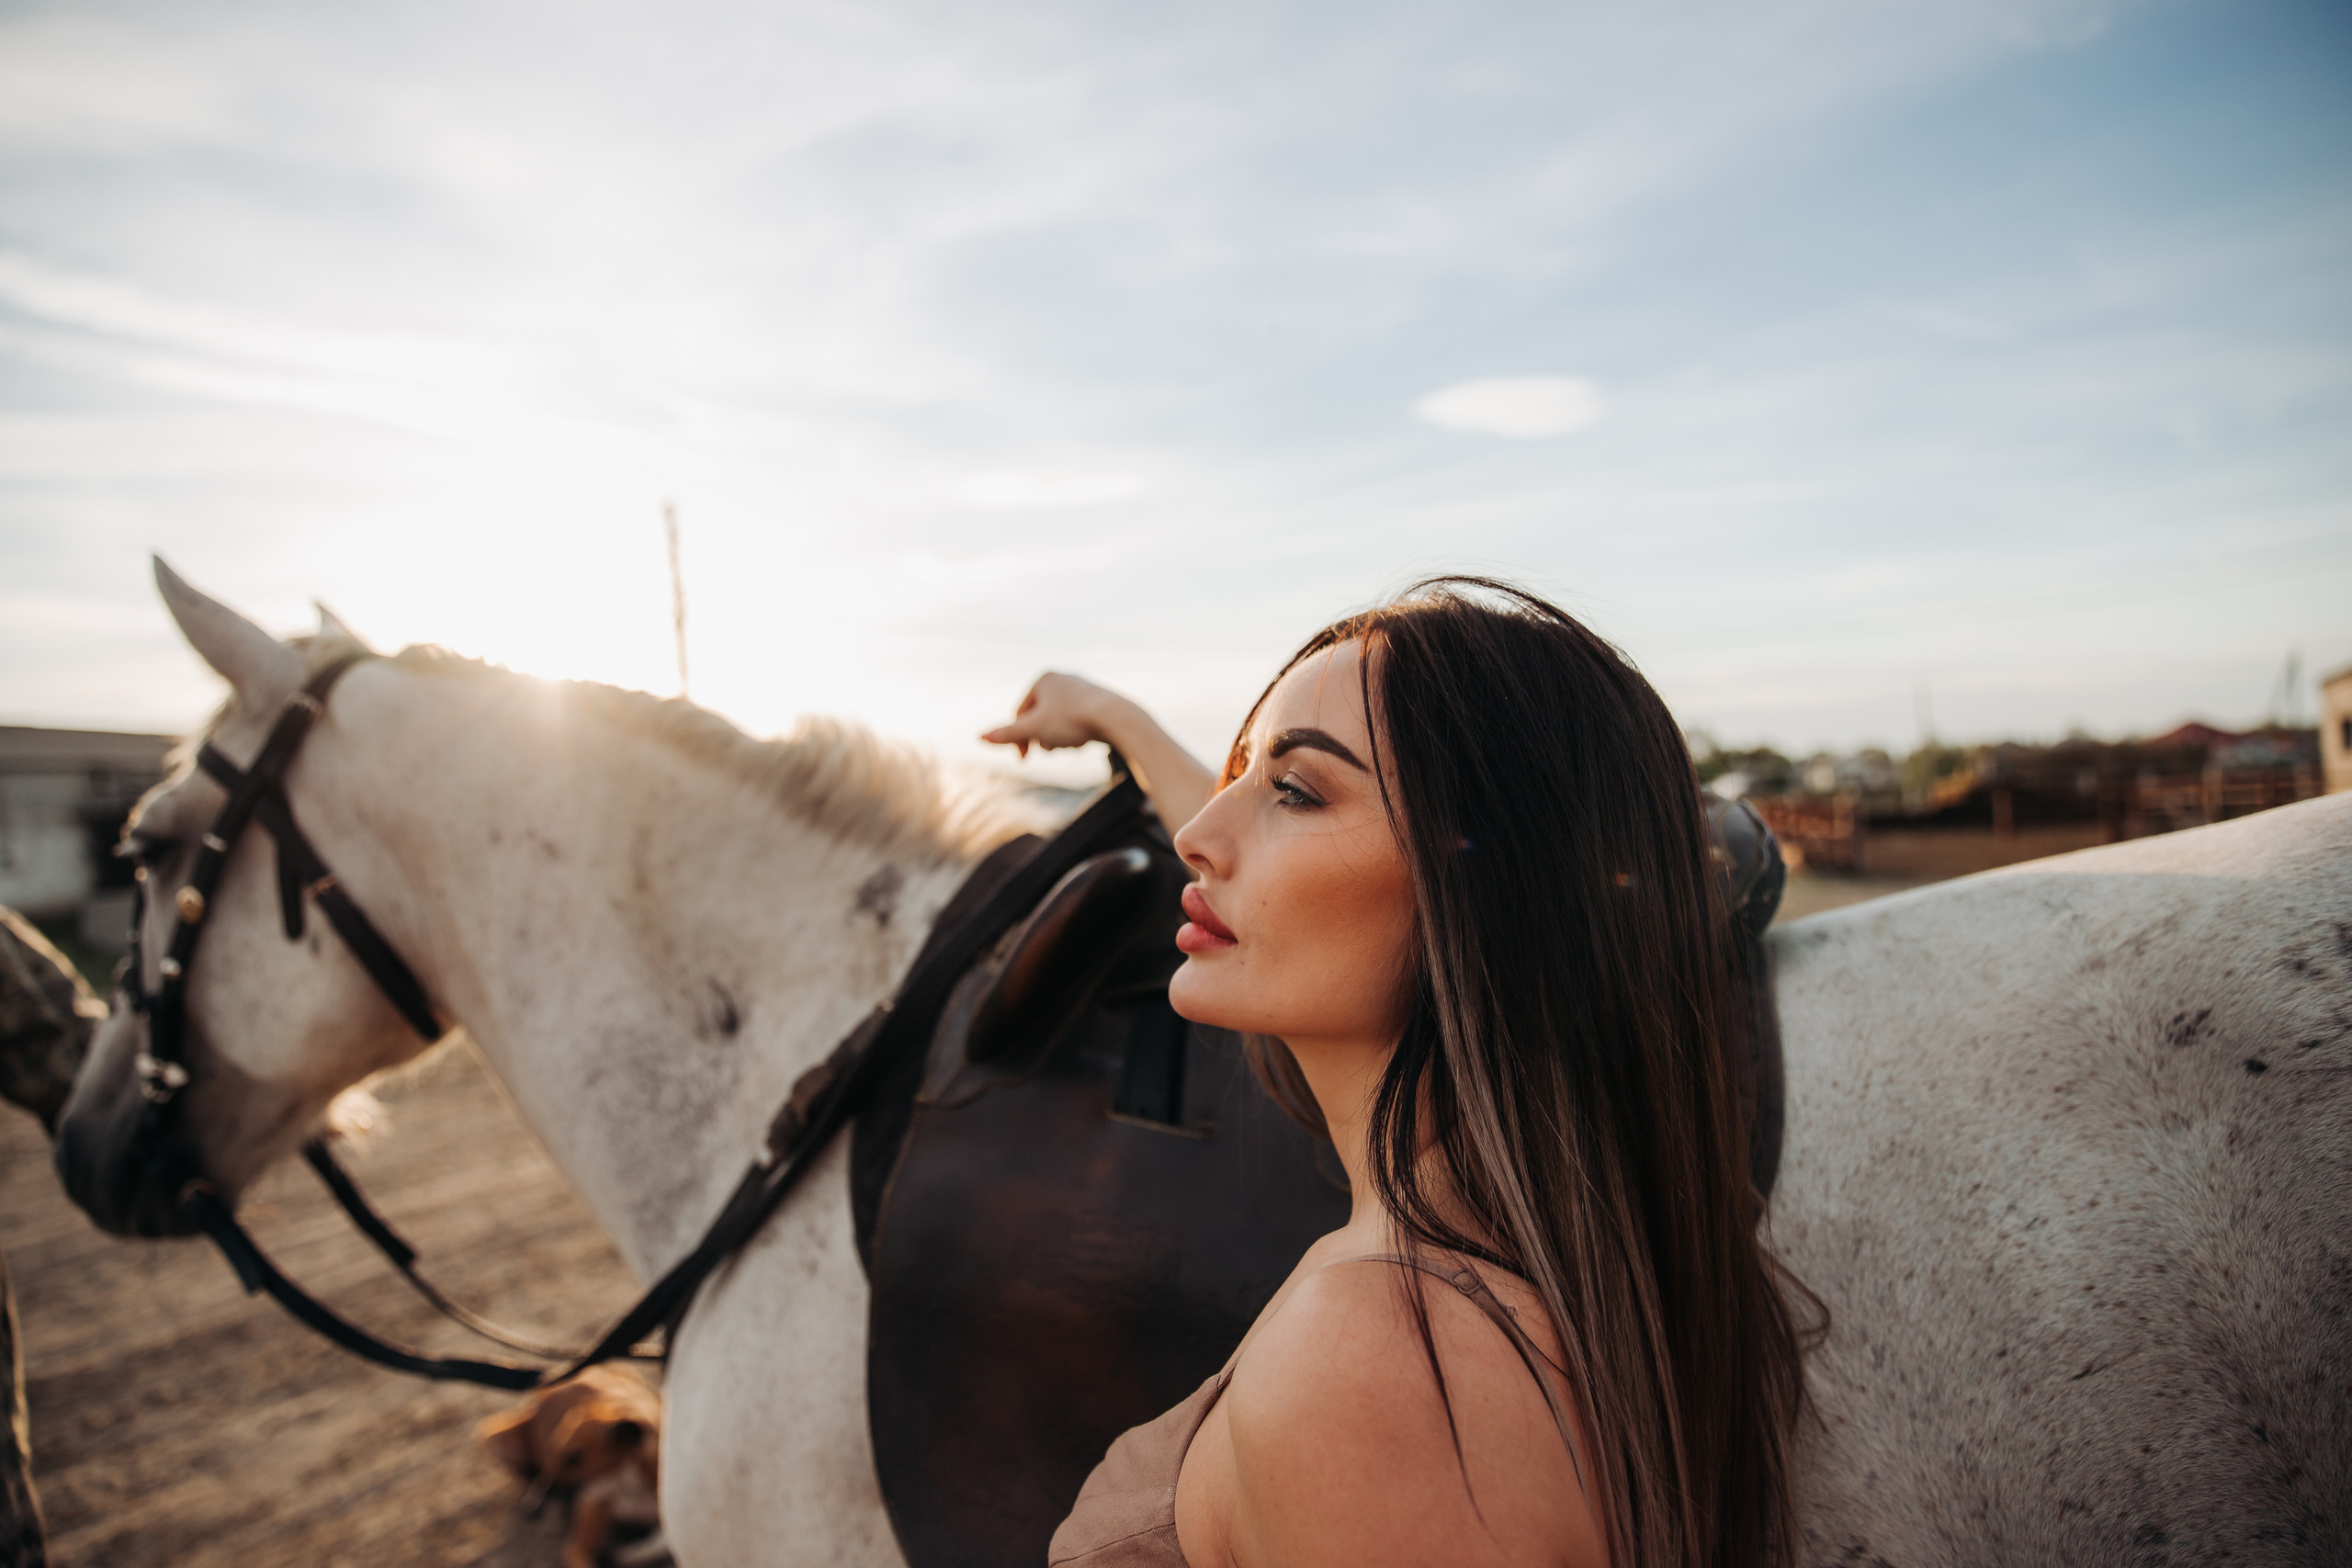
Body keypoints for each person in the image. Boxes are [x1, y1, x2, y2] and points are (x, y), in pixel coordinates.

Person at [983, 578, 1814, 1568]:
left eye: (1291, 790)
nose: (1194, 838)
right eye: (1245, 774)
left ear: (1487, 897)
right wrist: (1112, 714)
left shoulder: (1376, 1359)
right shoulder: (1515, 1269)